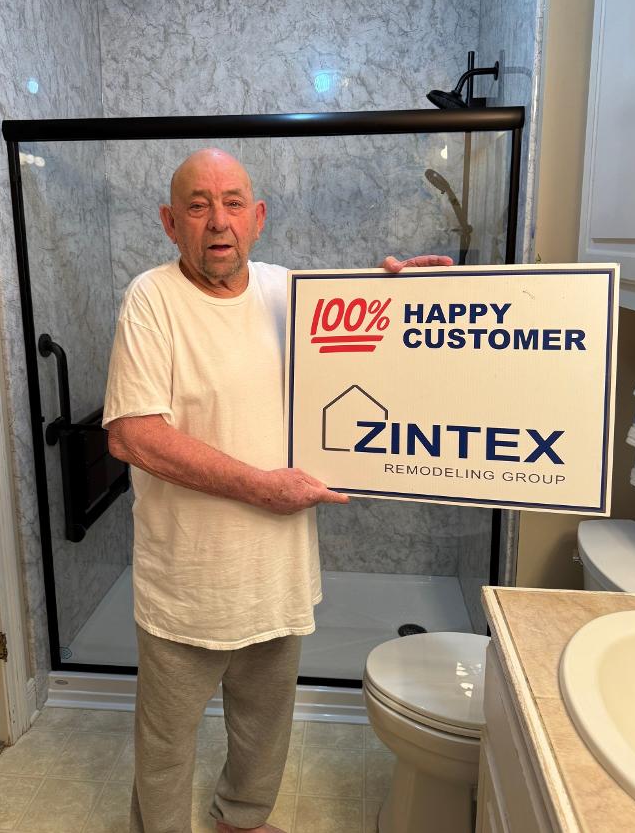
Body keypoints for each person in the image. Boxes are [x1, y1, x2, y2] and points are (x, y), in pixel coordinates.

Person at [102, 147, 453, 833]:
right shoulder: (152, 298)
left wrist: (403, 300)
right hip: (188, 579)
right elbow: (133, 435)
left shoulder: (286, 290)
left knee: (264, 721)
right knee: (167, 744)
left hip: (277, 567)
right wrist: (261, 487)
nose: (218, 220)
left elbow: (366, 350)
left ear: (258, 217)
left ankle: (240, 818)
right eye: (198, 205)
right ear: (170, 222)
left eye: (233, 202)